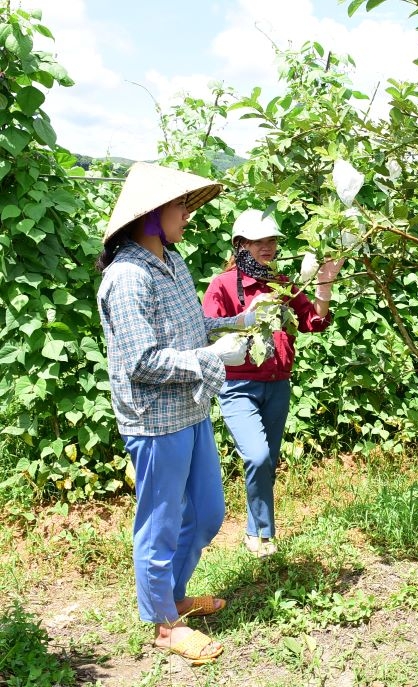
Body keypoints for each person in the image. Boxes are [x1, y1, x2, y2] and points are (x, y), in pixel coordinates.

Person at [96, 163, 264, 665]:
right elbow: (140, 362)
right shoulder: (127, 277)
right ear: (150, 216)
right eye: (180, 208)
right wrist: (215, 358)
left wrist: (236, 322)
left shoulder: (171, 262)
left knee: (209, 513)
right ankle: (163, 625)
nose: (187, 217)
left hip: (190, 409)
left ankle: (172, 596)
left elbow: (190, 327)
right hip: (154, 420)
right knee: (160, 522)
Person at [203, 209, 343, 557]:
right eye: (259, 240)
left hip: (278, 384)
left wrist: (323, 286)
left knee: (268, 460)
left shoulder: (282, 283)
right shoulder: (223, 285)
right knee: (258, 454)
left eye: (272, 240)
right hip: (237, 386)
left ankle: (260, 532)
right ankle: (258, 532)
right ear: (240, 245)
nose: (268, 246)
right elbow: (206, 328)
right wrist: (247, 319)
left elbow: (313, 322)